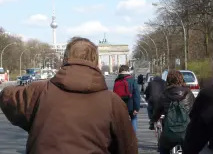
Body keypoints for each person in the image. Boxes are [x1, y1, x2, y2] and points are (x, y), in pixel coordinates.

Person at [0, 37, 138, 154]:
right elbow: (128, 147)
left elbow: (7, 96)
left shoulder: (39, 91)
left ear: (64, 60)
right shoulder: (113, 102)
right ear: (97, 63)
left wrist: (33, 121)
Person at [152, 70, 195, 154]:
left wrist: (152, 121)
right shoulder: (189, 93)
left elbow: (157, 110)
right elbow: (195, 109)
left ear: (168, 80)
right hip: (186, 132)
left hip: (169, 133)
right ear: (181, 79)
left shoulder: (164, 94)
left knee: (162, 148)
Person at [114, 65, 140, 133]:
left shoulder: (117, 80)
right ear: (127, 71)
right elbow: (136, 95)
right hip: (131, 105)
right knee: (133, 118)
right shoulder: (132, 80)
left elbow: (114, 95)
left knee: (120, 121)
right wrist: (136, 108)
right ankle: (133, 137)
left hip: (119, 106)